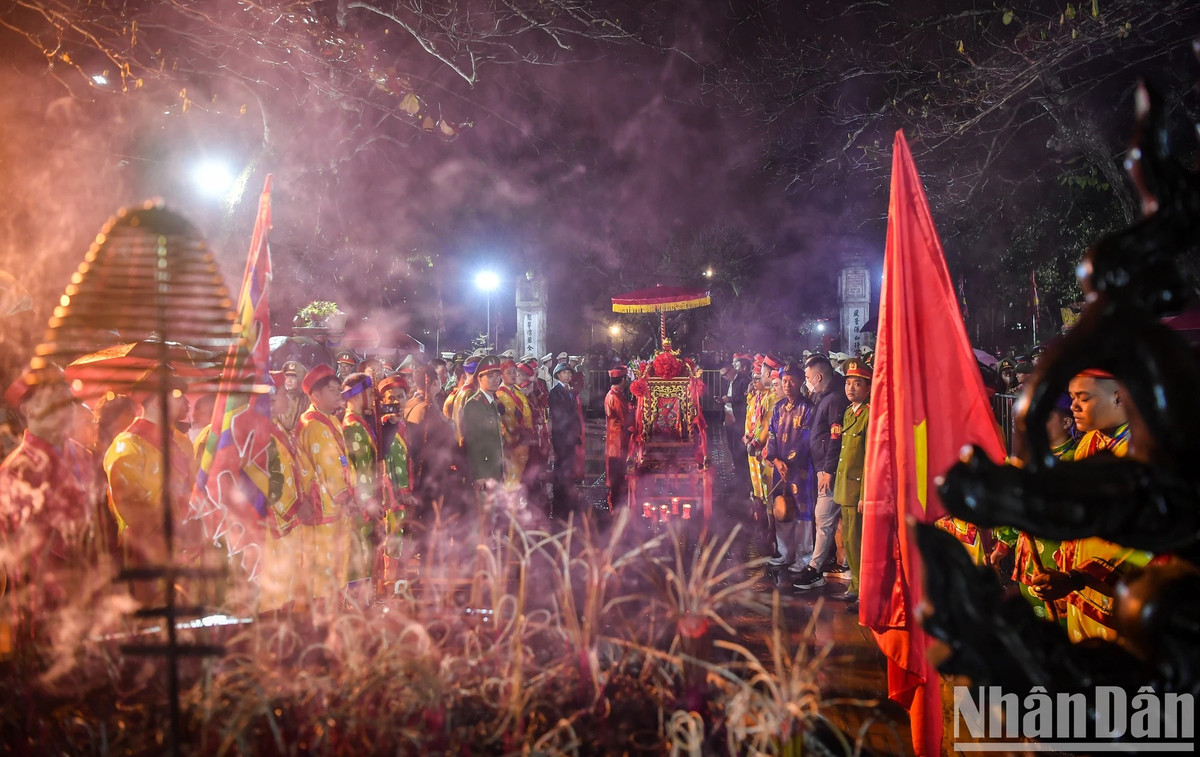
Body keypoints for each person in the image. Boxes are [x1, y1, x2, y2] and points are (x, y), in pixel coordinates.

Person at [1029, 369, 1154, 643]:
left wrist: (1076, 578)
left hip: (1124, 602)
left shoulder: (1146, 454)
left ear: (1119, 397)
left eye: (1082, 398)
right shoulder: (1090, 442)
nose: (1072, 406)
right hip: (1081, 595)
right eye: (1072, 397)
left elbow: (1145, 543)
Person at [0, 369, 95, 628]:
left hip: (92, 594)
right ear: (29, 410)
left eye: (68, 402)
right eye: (55, 402)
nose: (66, 410)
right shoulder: (17, 471)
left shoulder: (83, 455)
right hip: (46, 605)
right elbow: (35, 549)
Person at [103, 369, 200, 601]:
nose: (185, 401)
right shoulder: (126, 446)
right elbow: (132, 510)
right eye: (177, 394)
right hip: (149, 560)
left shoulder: (181, 442)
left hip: (188, 556)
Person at [297, 363, 355, 611]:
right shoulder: (315, 426)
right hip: (327, 510)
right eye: (333, 390)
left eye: (339, 389)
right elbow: (330, 468)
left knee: (335, 565)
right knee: (326, 567)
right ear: (316, 396)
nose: (339, 394)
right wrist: (346, 498)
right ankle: (324, 620)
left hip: (333, 509)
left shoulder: (328, 420)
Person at [791, 354, 850, 591]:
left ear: (817, 377)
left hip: (830, 470)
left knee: (823, 518)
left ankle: (814, 570)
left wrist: (828, 470)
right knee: (827, 520)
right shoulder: (823, 396)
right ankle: (828, 565)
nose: (806, 382)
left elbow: (836, 438)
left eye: (807, 378)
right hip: (823, 468)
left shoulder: (834, 398)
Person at [764, 362, 815, 573]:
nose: (787, 384)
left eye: (791, 380)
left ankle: (804, 558)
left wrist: (789, 462)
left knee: (803, 512)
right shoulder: (778, 408)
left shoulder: (808, 408)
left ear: (801, 381)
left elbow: (805, 439)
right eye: (784, 381)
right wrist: (776, 460)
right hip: (780, 467)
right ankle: (785, 554)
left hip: (801, 470)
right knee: (782, 509)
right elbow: (773, 436)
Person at [828, 359, 871, 607]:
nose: (851, 388)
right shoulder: (848, 412)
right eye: (848, 383)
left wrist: (865, 493)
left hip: (857, 491)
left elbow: (867, 459)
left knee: (858, 542)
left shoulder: (869, 415)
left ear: (867, 389)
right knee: (849, 541)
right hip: (845, 488)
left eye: (857, 384)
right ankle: (855, 585)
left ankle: (862, 589)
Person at [458, 356, 505, 490]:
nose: (496, 380)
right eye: (490, 376)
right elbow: (473, 442)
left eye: (497, 375)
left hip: (495, 470)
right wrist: (478, 474)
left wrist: (501, 470)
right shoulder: (474, 404)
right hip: (484, 473)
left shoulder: (492, 403)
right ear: (479, 378)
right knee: (485, 510)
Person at [549, 362, 583, 521]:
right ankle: (559, 503)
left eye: (570, 373)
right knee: (561, 467)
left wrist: (576, 432)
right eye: (565, 373)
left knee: (568, 467)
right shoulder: (555, 392)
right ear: (558, 375)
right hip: (561, 436)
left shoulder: (569, 391)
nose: (568, 376)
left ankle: (566, 497)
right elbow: (559, 415)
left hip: (569, 436)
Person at [496, 359, 534, 489]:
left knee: (521, 479)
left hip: (523, 444)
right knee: (509, 480)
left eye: (514, 372)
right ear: (501, 375)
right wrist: (510, 438)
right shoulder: (498, 395)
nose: (513, 375)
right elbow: (499, 421)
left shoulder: (519, 393)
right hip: (510, 445)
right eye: (509, 372)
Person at [604, 365, 634, 510]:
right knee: (617, 472)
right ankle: (615, 507)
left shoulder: (615, 393)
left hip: (615, 437)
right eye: (626, 378)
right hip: (618, 439)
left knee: (618, 471)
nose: (627, 381)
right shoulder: (615, 397)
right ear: (622, 379)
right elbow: (625, 419)